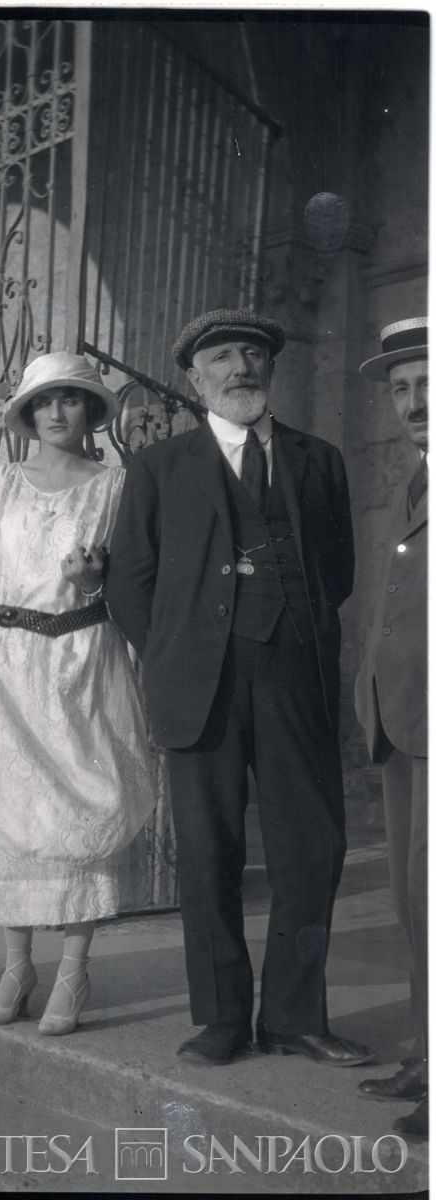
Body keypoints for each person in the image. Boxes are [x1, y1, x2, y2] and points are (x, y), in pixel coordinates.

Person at [107, 308, 376, 1068]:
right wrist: (175, 655)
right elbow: (131, 582)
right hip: (202, 686)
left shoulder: (318, 459)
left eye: (252, 354)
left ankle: (294, 1016)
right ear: (196, 379)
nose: (239, 369)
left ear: (271, 369)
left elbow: (338, 572)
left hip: (296, 677)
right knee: (208, 852)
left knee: (312, 849)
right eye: (221, 357)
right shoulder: (161, 467)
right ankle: (222, 1019)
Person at [0, 351, 157, 1036]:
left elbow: (132, 587)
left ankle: (73, 969)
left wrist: (93, 586)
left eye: (73, 399)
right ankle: (17, 964)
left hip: (83, 657)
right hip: (5, 662)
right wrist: (0, 638)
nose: (58, 412)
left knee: (82, 807)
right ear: (27, 414)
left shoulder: (113, 488)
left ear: (90, 411)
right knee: (7, 808)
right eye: (46, 401)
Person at [354, 318, 428, 1139]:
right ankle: (427, 1054)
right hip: (405, 724)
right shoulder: (415, 480)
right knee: (416, 902)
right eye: (402, 388)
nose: (414, 402)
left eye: (428, 383)